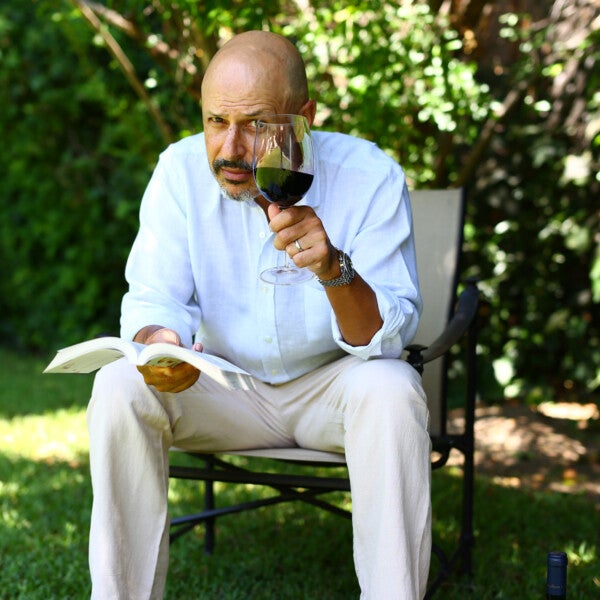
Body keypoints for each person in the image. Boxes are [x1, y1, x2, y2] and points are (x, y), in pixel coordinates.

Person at [87, 30, 431, 599]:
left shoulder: (370, 176)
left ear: (304, 118)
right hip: (225, 387)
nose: (231, 148)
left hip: (332, 389)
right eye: (216, 121)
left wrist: (333, 270)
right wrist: (162, 338)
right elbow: (153, 298)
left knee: (392, 387)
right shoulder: (178, 172)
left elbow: (386, 338)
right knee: (119, 384)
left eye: (254, 124)